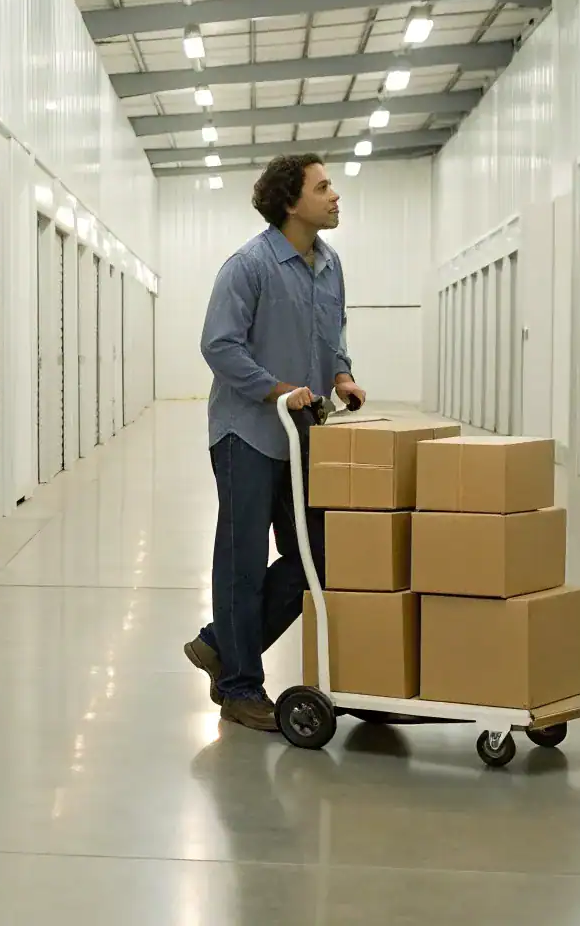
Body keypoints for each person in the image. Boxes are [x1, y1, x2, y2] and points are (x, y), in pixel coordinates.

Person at [183, 153, 365, 732]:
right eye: (323, 186)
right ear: (291, 202)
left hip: (305, 432)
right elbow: (219, 345)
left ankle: (221, 644)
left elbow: (331, 331)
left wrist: (340, 376)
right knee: (242, 562)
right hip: (248, 434)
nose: (335, 195)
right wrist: (276, 390)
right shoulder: (249, 266)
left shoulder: (330, 264)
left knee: (318, 554)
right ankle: (239, 688)